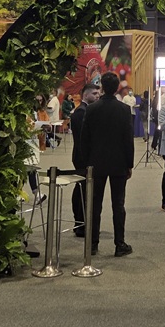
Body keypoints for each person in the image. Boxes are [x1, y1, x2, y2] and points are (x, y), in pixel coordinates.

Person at [78, 71, 135, 257]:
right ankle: (120, 244)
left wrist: (86, 162)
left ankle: (93, 243)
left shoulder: (91, 109)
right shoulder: (124, 110)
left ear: (101, 87)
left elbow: (84, 139)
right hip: (119, 162)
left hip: (96, 163)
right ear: (117, 88)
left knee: (95, 204)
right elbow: (128, 139)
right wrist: (129, 164)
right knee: (118, 204)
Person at [69, 82, 101, 236]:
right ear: (86, 95)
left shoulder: (88, 111)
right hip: (82, 157)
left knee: (86, 189)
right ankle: (80, 223)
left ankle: (84, 222)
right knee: (82, 190)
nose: (97, 96)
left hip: (87, 156)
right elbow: (83, 139)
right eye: (94, 94)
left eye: (98, 93)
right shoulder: (81, 112)